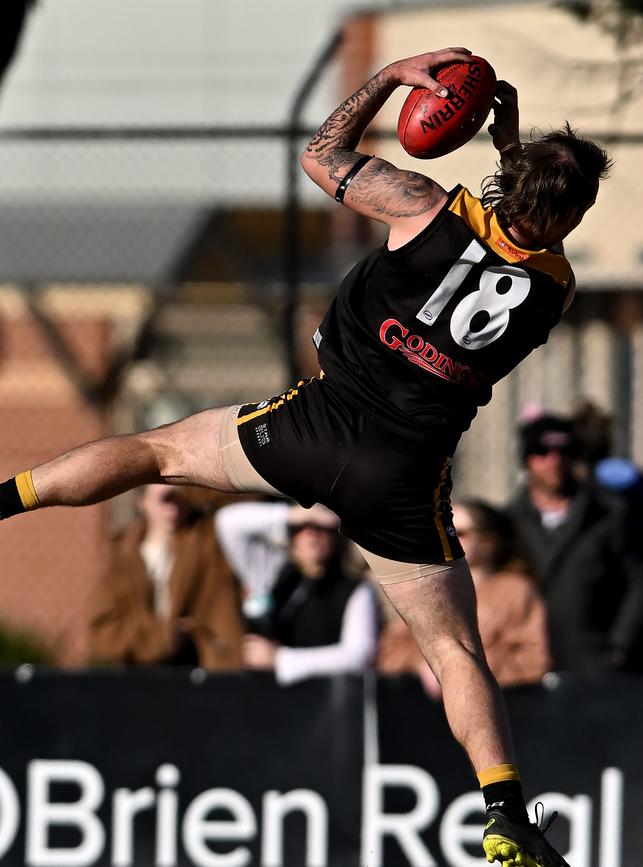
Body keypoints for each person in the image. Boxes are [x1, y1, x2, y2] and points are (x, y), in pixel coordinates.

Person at [0, 47, 611, 867]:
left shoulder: (423, 205)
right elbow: (524, 236)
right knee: (456, 651)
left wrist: (391, 78)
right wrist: (511, 154)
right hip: (402, 479)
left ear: (507, 185)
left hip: (312, 426)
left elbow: (320, 155)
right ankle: (503, 809)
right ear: (571, 218)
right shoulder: (557, 287)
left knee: (151, 453)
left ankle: (7, 499)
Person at [509, 413, 643, 674]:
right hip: (530, 665)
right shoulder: (511, 521)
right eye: (543, 451)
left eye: (564, 451)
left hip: (599, 663)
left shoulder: (611, 513)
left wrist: (620, 647)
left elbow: (642, 577)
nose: (555, 460)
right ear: (527, 459)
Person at [379, 499, 552, 696]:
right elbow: (388, 654)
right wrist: (426, 664)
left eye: (457, 532)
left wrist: (462, 669)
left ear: (488, 543)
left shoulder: (516, 591)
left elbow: (535, 660)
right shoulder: (425, 590)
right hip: (422, 712)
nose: (445, 538)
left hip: (501, 708)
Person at [216, 500, 378, 684]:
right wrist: (294, 514)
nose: (311, 533)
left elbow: (358, 656)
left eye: (321, 526)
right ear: (291, 536)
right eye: (302, 526)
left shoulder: (357, 590)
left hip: (327, 702)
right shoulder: (274, 572)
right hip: (267, 698)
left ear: (336, 535)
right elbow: (227, 522)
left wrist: (280, 659)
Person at [89, 485, 245, 669]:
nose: (174, 507)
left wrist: (191, 488)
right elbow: (103, 633)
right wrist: (163, 636)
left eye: (181, 499)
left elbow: (241, 497)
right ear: (142, 503)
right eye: (166, 499)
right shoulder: (124, 558)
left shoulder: (204, 543)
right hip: (140, 674)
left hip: (197, 669)